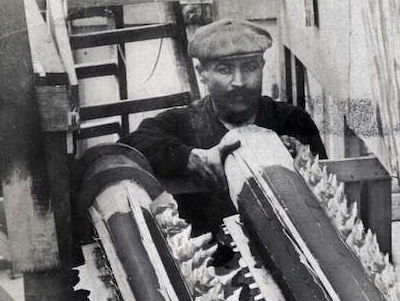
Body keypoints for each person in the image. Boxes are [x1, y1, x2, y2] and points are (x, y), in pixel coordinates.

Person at [122, 18, 326, 237]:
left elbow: (324, 196)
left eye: (249, 67)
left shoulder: (291, 120)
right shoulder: (183, 122)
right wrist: (189, 158)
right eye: (224, 69)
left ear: (262, 67)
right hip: (213, 261)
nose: (239, 81)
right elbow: (129, 147)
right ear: (202, 74)